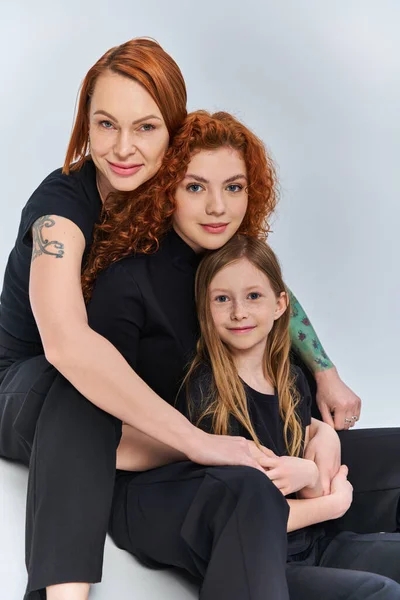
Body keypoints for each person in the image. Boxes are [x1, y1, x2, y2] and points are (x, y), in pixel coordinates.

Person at [0, 37, 394, 599]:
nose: (123, 148)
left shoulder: (177, 199)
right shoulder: (62, 208)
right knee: (79, 389)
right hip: (24, 387)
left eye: (146, 127)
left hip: (144, 424)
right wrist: (198, 442)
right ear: (84, 125)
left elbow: (256, 277)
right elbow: (66, 343)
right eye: (105, 124)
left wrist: (323, 378)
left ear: (174, 131)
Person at [85, 111, 399, 599]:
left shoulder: (230, 259)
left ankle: (327, 555)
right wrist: (313, 486)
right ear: (166, 188)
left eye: (233, 187)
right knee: (253, 491)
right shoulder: (129, 284)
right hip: (180, 480)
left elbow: (277, 301)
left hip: (266, 456)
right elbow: (103, 431)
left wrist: (322, 399)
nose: (217, 207)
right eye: (195, 188)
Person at [107, 234, 400, 600]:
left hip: (317, 544)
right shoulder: (207, 393)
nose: (239, 312)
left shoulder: (290, 378)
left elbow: (308, 478)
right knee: (379, 593)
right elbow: (254, 514)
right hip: (269, 562)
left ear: (281, 305)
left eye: (253, 296)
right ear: (205, 309)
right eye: (222, 299)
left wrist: (317, 454)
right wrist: (331, 502)